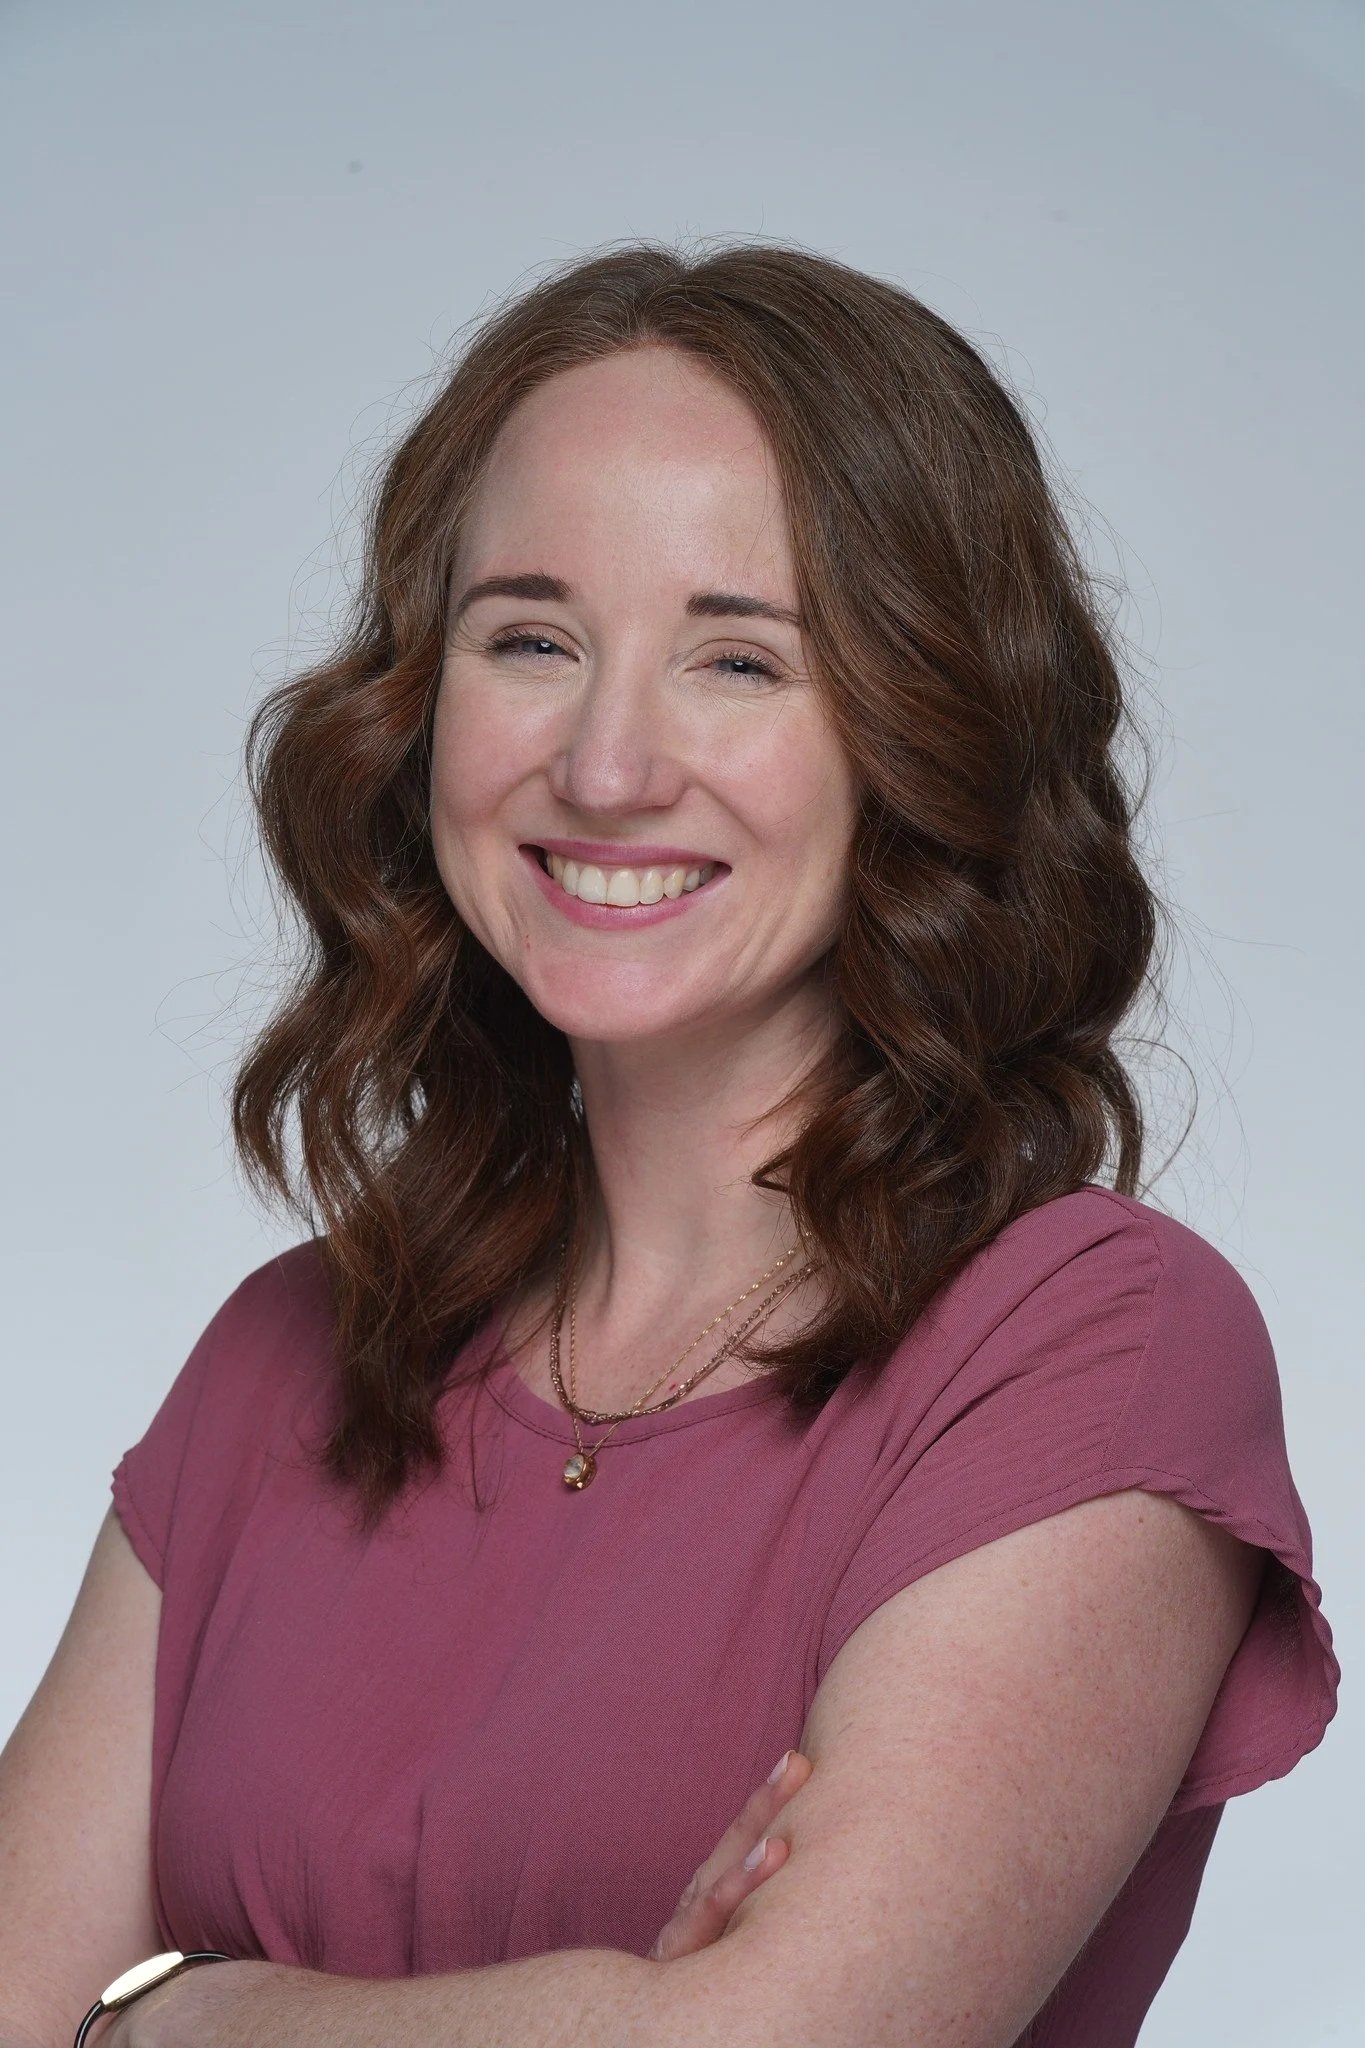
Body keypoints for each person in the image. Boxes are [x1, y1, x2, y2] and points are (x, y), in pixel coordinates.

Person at [0, 239, 1339, 2048]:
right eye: (531, 640)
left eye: (738, 658)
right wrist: (602, 2007)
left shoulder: (1088, 1347)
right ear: (417, 710)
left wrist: (177, 2017)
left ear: (920, 727)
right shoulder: (280, 1358)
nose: (609, 764)